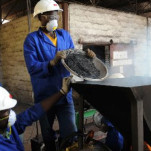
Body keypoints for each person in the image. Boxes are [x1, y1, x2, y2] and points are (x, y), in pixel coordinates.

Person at [23, 0, 95, 150]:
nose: (54, 19)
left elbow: (74, 59)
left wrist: (87, 57)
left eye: (56, 15)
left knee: (70, 133)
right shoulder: (32, 40)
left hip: (64, 95)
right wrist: (52, 62)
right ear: (41, 17)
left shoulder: (64, 35)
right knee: (48, 135)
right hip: (45, 97)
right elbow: (32, 68)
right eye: (50, 16)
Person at [0, 76, 72, 151]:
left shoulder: (7, 129)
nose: (11, 114)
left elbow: (33, 112)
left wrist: (62, 92)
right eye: (6, 111)